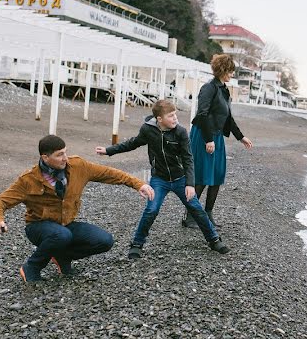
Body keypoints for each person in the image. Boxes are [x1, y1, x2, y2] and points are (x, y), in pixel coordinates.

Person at [0, 135, 156, 283]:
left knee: (105, 241)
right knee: (61, 235)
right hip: (38, 227)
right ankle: (31, 267)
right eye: (59, 155)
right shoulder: (28, 179)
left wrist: (138, 184)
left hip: (66, 224)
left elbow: (109, 173)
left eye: (65, 152)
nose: (65, 158)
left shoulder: (78, 166)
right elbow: (0, 201)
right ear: (45, 158)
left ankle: (62, 256)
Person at [95, 99, 229, 257]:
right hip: (159, 179)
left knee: (196, 208)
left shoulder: (181, 132)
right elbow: (132, 143)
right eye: (171, 116)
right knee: (151, 210)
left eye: (175, 115)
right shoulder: (148, 130)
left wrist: (190, 184)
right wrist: (108, 150)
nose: (175, 119)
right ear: (160, 119)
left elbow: (188, 159)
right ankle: (137, 244)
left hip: (180, 179)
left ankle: (214, 240)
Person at [186, 54, 253, 228]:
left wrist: (240, 136)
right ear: (223, 70)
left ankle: (207, 214)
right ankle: (190, 216)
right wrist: (208, 140)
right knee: (201, 176)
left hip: (217, 136)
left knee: (216, 175)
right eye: (230, 71)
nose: (232, 74)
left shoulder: (224, 89)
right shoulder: (209, 88)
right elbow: (202, 114)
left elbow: (228, 118)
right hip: (203, 134)